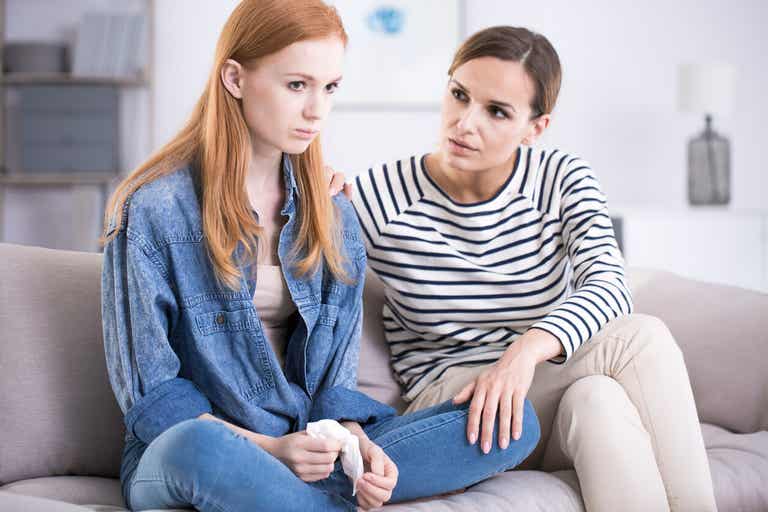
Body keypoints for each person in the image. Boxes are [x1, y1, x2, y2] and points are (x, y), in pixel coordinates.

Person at [100, 3, 540, 511]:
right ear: (235, 78)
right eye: (296, 85)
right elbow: (152, 397)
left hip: (308, 447)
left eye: (330, 87)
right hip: (192, 449)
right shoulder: (153, 210)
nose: (317, 110)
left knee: (512, 423)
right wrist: (272, 451)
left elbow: (334, 386)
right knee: (197, 450)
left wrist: (356, 446)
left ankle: (301, 497)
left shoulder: (332, 217)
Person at [351, 26, 718, 512]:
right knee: (640, 339)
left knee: (598, 400)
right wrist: (313, 194)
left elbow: (609, 283)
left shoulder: (562, 178)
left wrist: (522, 356)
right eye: (459, 95)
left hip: (538, 389)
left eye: (496, 111)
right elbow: (300, 270)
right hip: (454, 410)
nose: (464, 123)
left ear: (535, 127)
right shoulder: (377, 196)